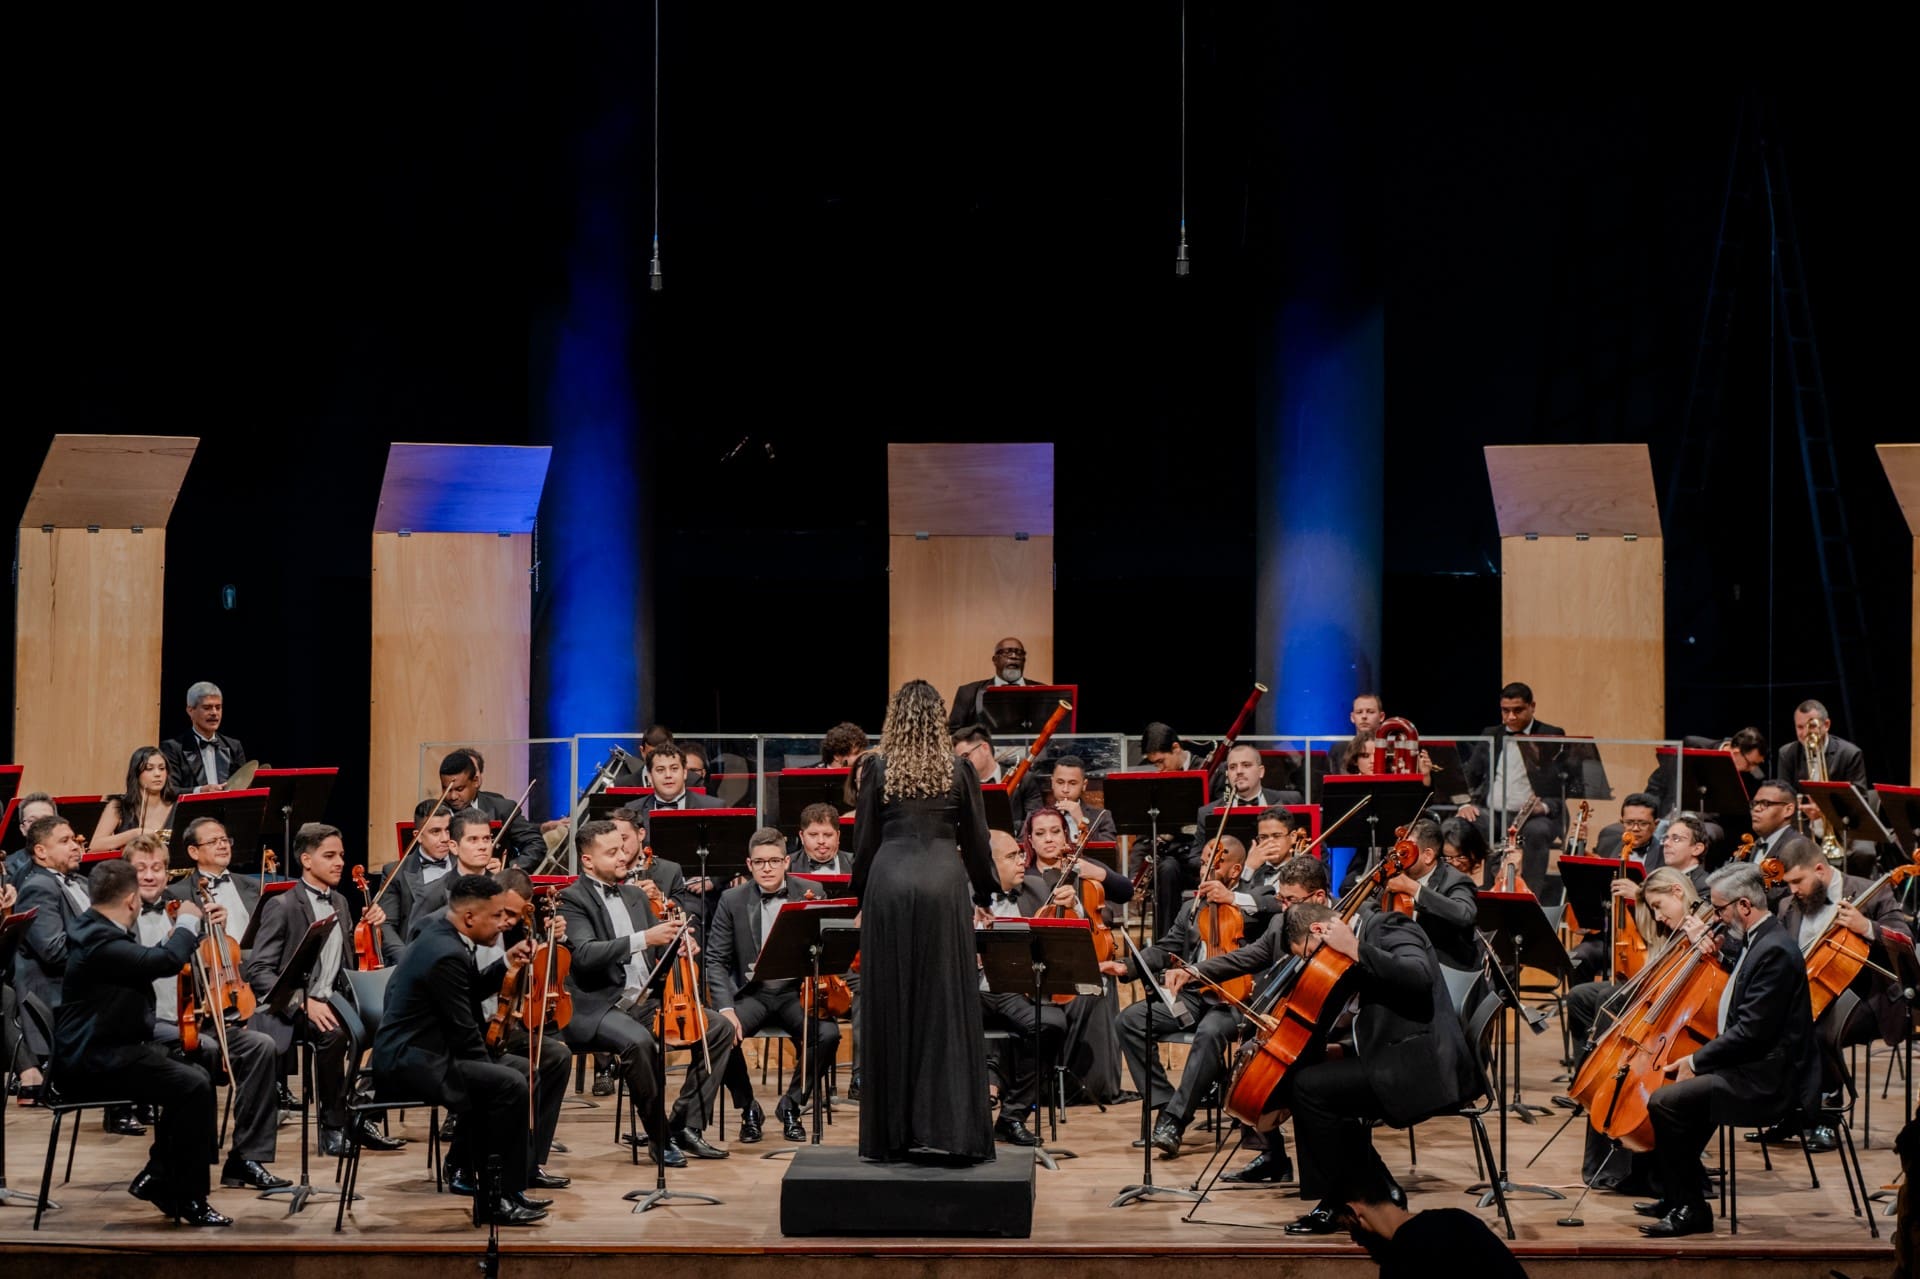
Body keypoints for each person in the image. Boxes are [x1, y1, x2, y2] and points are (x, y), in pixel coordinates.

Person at [1175, 899, 1478, 1235]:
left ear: (1319, 931)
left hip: (1422, 1066)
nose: (1310, 963)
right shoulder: (1346, 953)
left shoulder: (1388, 926)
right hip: (1391, 1057)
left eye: (1307, 954)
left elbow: (1419, 978)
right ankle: (1372, 1191)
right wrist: (1332, 1047)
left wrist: (1356, 948)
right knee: (1306, 1081)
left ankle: (1346, 1200)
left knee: (1309, 1089)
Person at [852, 678, 998, 1163]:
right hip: (942, 885)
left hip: (889, 883)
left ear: (895, 718)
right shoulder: (959, 770)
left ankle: (891, 1136)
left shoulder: (876, 768)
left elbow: (866, 840)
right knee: (944, 1004)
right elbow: (977, 842)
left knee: (891, 1001)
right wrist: (988, 890)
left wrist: (858, 895)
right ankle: (948, 1130)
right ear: (939, 721)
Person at [1638, 862, 1821, 1238]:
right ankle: (1678, 1194)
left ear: (1743, 905)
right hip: (1750, 1064)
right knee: (1677, 1098)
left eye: (1720, 909)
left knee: (1665, 1102)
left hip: (1769, 1079)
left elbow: (1753, 1032)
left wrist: (1695, 1059)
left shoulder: (1775, 950)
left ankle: (1692, 1209)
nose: (1716, 917)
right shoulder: (1761, 938)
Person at [53, 859, 230, 1226]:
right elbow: (163, 962)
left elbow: (146, 962)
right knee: (193, 1085)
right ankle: (186, 1196)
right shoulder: (98, 939)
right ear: (133, 900)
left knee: (196, 1073)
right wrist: (187, 919)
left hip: (114, 1047)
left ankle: (162, 1176)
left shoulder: (95, 928)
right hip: (94, 1059)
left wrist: (177, 939)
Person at [372, 872, 549, 1227]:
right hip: (411, 1061)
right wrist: (493, 1070)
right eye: (497, 916)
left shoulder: (447, 938)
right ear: (470, 917)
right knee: (507, 1084)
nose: (503, 925)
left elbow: (467, 994)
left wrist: (505, 963)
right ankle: (493, 1199)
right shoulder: (445, 952)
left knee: (517, 1074)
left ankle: (508, 1190)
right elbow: (463, 1031)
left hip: (429, 1051)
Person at [558, 819, 735, 1163]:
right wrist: (645, 939)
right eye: (612, 853)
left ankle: (684, 1125)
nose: (623, 857)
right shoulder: (571, 899)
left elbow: (659, 947)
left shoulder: (636, 894)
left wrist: (680, 946)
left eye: (623, 849)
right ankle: (658, 1137)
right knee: (640, 1043)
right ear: (588, 861)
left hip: (644, 1000)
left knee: (718, 1028)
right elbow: (583, 954)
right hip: (598, 1005)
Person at [125, 835, 287, 1190]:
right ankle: (186, 1167)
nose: (151, 876)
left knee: (261, 1046)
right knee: (202, 1055)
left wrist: (217, 928)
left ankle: (246, 1158)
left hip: (195, 1018)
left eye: (158, 868)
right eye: (141, 868)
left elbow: (212, 966)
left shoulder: (186, 909)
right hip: (145, 1030)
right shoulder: (119, 917)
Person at [243, 822, 404, 1158]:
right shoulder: (283, 905)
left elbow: (348, 960)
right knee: (332, 1033)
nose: (339, 862)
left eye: (341, 855)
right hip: (289, 1006)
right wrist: (303, 1002)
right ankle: (332, 1127)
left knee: (396, 1024)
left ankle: (362, 1111)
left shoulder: (342, 902)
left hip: (334, 997)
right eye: (329, 855)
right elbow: (259, 971)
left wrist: (372, 928)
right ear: (306, 860)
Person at [1758, 834, 1914, 1152]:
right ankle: (1794, 1111)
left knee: (1814, 1032)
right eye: (1787, 884)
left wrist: (1866, 927)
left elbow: (1905, 939)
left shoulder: (1869, 891)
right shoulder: (1790, 905)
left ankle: (1827, 1117)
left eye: (1798, 881)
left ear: (1820, 869)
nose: (1792, 891)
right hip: (1817, 990)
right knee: (1769, 1024)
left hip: (1870, 995)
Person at [1115, 837, 1255, 1158]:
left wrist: (1233, 897)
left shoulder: (1252, 900)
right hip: (1193, 996)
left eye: (1212, 862)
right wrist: (1126, 967)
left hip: (1231, 997)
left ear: (1235, 870)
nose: (1203, 868)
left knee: (1208, 1035)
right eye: (1203, 861)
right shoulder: (1192, 905)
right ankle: (1168, 1100)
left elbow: (1271, 904)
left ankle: (1175, 1120)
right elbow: (1166, 949)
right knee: (1131, 1020)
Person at [1564, 865, 1700, 1189]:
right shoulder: (1677, 927)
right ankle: (1596, 1059)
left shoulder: (1702, 928)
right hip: (1661, 1012)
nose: (1656, 916)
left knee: (1609, 1003)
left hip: (1683, 1030)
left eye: (1658, 907)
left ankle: (1624, 1162)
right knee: (1584, 999)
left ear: (1677, 892)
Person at [707, 828, 842, 1144]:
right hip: (752, 993)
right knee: (720, 1034)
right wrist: (726, 1009)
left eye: (773, 861)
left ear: (786, 862)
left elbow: (826, 948)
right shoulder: (731, 899)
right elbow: (715, 960)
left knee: (828, 1034)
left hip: (796, 994)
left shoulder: (812, 890)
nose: (766, 868)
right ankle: (748, 1108)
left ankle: (793, 1104)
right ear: (749, 864)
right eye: (759, 862)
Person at [977, 830, 1073, 1147]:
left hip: (1013, 993)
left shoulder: (1036, 887)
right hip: (968, 991)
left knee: (1052, 1023)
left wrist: (1074, 908)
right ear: (988, 864)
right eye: (1011, 856)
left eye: (1021, 854)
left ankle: (1013, 1116)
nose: (1022, 861)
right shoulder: (958, 895)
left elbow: (1056, 942)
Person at [10, 814, 89, 1102]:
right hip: (59, 990)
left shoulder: (81, 883)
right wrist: (106, 958)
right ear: (41, 851)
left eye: (75, 839)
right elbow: (55, 951)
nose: (75, 846)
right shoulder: (39, 887)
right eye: (64, 841)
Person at [1460, 682, 1568, 890]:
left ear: (1532, 706)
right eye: (1505, 710)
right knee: (1461, 825)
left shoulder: (1551, 734)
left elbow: (1562, 783)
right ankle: (1478, 894)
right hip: (1494, 813)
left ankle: (1531, 897)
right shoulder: (1491, 734)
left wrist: (1543, 807)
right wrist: (1464, 803)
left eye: (1517, 710)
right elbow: (1470, 774)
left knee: (1537, 831)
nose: (1510, 717)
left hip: (1535, 816)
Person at [1338, 1174, 1529, 1279]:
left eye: (1349, 1228)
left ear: (1355, 1211)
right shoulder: (1460, 1220)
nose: (1355, 1240)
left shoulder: (1399, 1259)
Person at [1361, 817, 1480, 973]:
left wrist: (1415, 889)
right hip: (1401, 965)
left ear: (1428, 855)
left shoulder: (1455, 880)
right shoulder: (1397, 875)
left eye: (1405, 852)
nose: (1397, 858)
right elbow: (1370, 906)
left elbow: (1465, 914)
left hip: (1445, 970)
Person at [405, 809, 506, 941]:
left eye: (486, 839)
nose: (482, 846)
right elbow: (415, 947)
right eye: (473, 840)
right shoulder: (430, 894)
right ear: (454, 847)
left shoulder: (505, 890)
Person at [438, 749, 546, 872]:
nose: (452, 796)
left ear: (475, 781)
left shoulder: (503, 809)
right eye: (446, 789)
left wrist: (506, 869)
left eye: (460, 789)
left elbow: (536, 844)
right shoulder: (435, 814)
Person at [162, 818, 262, 947]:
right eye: (212, 842)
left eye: (224, 840)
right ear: (194, 852)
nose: (222, 845)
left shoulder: (255, 885)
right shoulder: (176, 894)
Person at [382, 799, 458, 948]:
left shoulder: (465, 864)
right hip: (415, 953)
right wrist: (405, 959)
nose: (445, 838)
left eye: (448, 830)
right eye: (435, 831)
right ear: (418, 836)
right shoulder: (395, 872)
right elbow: (386, 925)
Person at [160, 681, 247, 793]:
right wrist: (200, 791)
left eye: (218, 707)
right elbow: (169, 791)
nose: (214, 713)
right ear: (190, 711)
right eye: (207, 708)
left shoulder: (234, 746)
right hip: (193, 810)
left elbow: (244, 785)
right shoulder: (172, 748)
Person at [91, 746, 180, 853]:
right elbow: (95, 846)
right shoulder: (119, 805)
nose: (158, 774)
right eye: (149, 768)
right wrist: (136, 834)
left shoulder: (178, 805)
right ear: (136, 773)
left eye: (162, 768)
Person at [947, 637, 1043, 732]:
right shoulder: (969, 693)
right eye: (1007, 652)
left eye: (1019, 653)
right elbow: (953, 733)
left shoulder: (1043, 692)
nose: (1014, 656)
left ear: (1024, 660)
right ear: (995, 660)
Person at [952, 724, 1043, 824]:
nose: (962, 763)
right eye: (959, 760)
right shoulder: (958, 787)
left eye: (965, 756)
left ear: (985, 748)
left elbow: (1036, 823)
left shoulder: (1024, 780)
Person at [1046, 755, 1114, 845]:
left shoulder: (1102, 817)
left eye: (1072, 783)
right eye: (1060, 782)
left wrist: (1081, 820)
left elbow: (1107, 853)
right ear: (1052, 783)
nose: (1065, 789)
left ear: (1084, 785)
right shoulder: (1035, 817)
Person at [4, 791, 59, 881]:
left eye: (47, 819)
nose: (40, 825)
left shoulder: (70, 858)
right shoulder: (9, 868)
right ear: (23, 829)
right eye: (32, 821)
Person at [789, 802, 854, 875]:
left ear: (838, 836)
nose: (821, 841)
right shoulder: (786, 865)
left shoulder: (856, 863)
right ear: (802, 836)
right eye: (813, 835)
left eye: (828, 835)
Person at [1591, 793, 1659, 861]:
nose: (1635, 829)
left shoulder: (1665, 854)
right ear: (1622, 822)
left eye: (1643, 823)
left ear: (1656, 824)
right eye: (1629, 823)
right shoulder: (1607, 844)